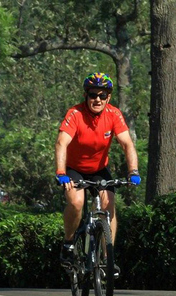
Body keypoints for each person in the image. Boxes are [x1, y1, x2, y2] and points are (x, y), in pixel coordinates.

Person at [55, 72, 141, 273]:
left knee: (109, 205)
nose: (97, 100)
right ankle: (68, 243)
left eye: (102, 95)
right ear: (86, 95)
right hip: (74, 169)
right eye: (93, 95)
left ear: (108, 98)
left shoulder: (114, 114)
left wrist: (133, 171)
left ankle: (106, 257)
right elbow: (61, 143)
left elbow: (127, 144)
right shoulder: (75, 114)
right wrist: (61, 172)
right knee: (76, 203)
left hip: (99, 169)